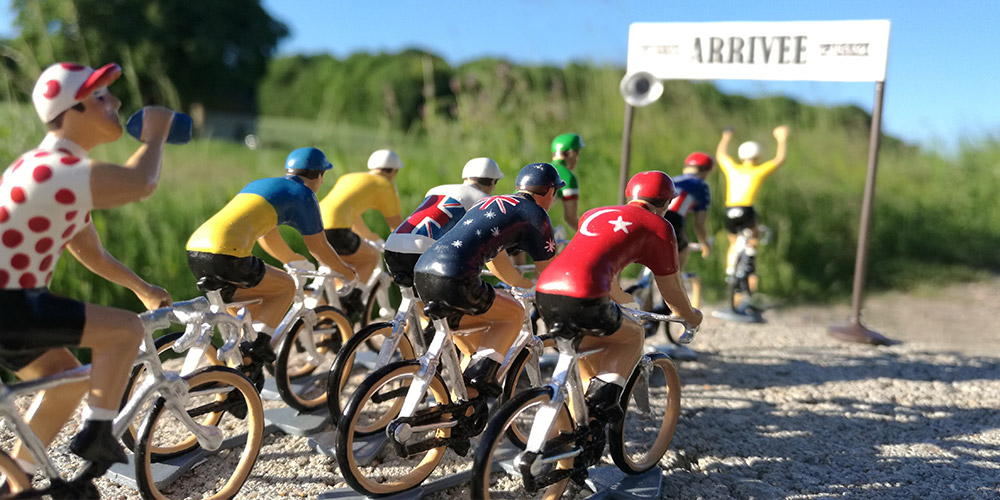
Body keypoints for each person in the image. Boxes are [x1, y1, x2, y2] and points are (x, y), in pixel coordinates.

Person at [0, 62, 175, 471]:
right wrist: (156, 135)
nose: (114, 101)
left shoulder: (49, 172)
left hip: (14, 302)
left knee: (68, 377)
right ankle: (97, 436)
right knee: (125, 331)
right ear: (72, 109)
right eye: (99, 97)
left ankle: (19, 478)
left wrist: (142, 288)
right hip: (10, 302)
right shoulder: (55, 169)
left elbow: (93, 254)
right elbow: (140, 183)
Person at [535, 171, 703, 422]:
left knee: (579, 382)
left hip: (546, 289)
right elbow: (672, 291)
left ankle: (567, 451)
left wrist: (622, 297)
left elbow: (597, 262)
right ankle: (605, 400)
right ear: (667, 203)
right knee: (633, 335)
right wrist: (690, 317)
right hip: (586, 296)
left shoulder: (594, 213)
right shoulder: (659, 226)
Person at [412, 162, 561, 397]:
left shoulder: (491, 202)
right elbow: (550, 273)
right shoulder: (535, 214)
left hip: (423, 271)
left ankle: (458, 409)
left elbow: (496, 258)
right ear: (550, 191)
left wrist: (521, 284)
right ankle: (481, 378)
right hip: (457, 277)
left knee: (477, 341)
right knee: (513, 315)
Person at [186, 147, 358, 342]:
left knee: (251, 309)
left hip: (196, 250)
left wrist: (292, 259)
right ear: (319, 175)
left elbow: (267, 234)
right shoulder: (303, 194)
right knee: (285, 287)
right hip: (228, 255)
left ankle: (242, 359)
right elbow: (318, 246)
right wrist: (345, 271)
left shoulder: (262, 184)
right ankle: (257, 350)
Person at [383, 157, 503, 288]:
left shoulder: (436, 189)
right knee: (453, 298)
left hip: (392, 246)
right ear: (492, 182)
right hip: (421, 252)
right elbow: (490, 243)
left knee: (417, 299)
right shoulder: (483, 200)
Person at [716, 125, 789, 286]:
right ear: (757, 157)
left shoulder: (732, 169)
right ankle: (750, 253)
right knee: (754, 236)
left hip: (730, 209)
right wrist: (782, 139)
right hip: (746, 209)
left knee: (733, 242)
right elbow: (779, 159)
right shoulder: (757, 171)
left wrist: (726, 137)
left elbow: (721, 155)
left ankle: (729, 271)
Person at [318, 149, 404, 285]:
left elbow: (351, 214)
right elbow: (398, 228)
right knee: (372, 256)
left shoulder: (349, 177)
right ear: (394, 171)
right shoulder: (385, 185)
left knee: (341, 270)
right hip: (337, 229)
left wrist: (370, 237)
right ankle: (355, 297)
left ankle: (338, 303)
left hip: (315, 224)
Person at [665, 152, 714, 271]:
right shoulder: (701, 186)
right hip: (674, 218)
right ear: (706, 171)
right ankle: (673, 285)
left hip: (653, 213)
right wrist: (704, 244)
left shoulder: (673, 180)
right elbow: (699, 224)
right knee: (683, 250)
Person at [550, 133, 584, 231]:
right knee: (560, 238)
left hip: (510, 215)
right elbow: (571, 219)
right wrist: (590, 235)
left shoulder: (543, 168)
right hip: (528, 223)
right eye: (577, 153)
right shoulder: (567, 176)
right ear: (570, 153)